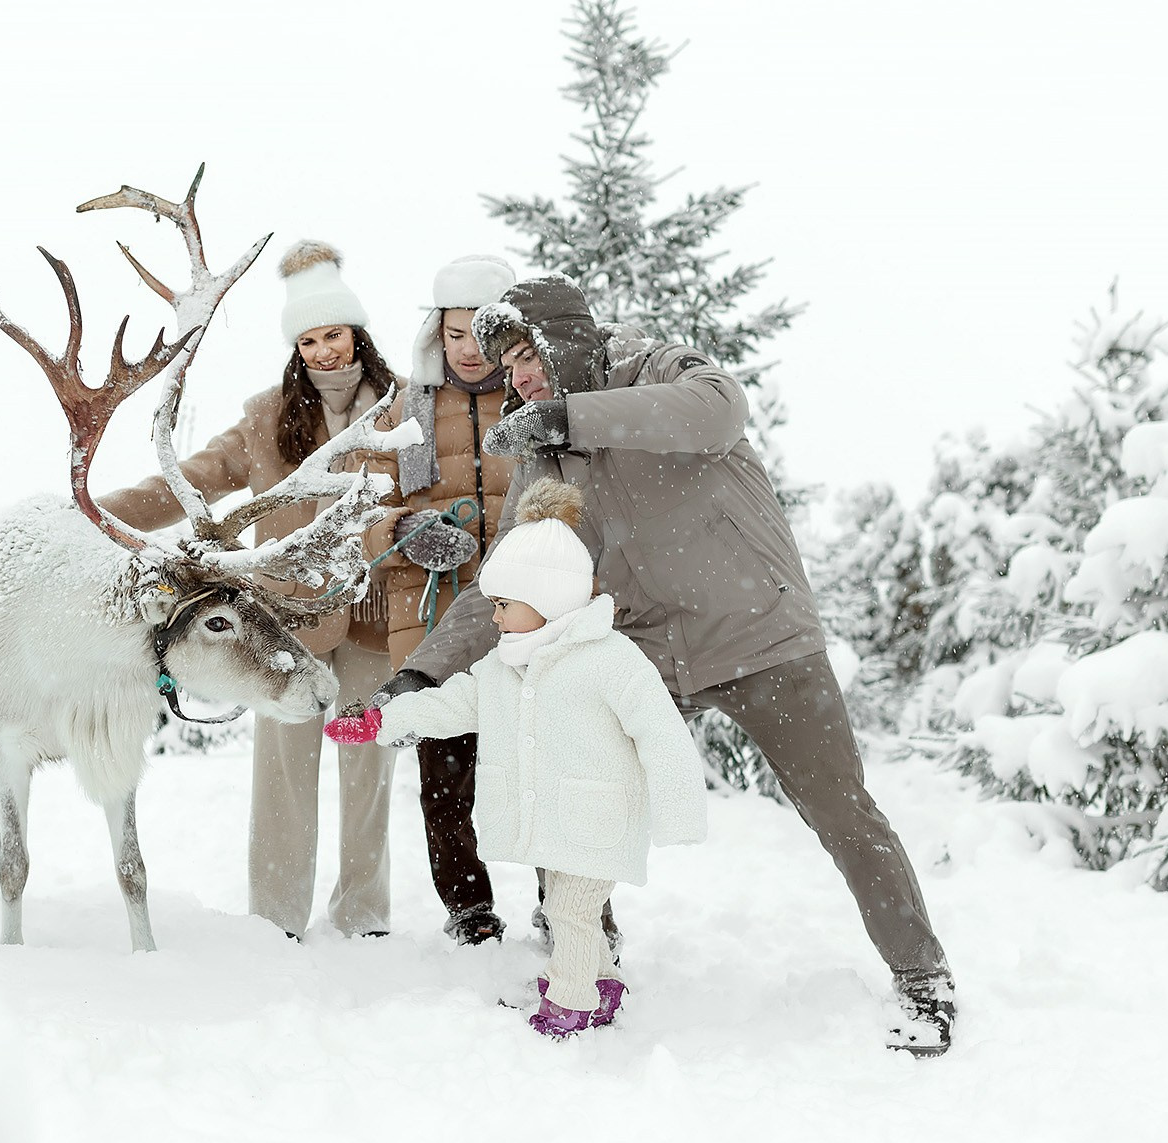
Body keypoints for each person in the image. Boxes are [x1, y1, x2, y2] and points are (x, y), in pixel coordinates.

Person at [373, 273, 958, 1055]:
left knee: (841, 809)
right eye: (508, 367)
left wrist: (572, 415)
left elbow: (719, 409)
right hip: (647, 650)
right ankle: (586, 959)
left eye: (526, 356)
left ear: (563, 341)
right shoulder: (547, 461)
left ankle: (922, 975)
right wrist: (424, 673)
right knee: (567, 778)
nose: (519, 377)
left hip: (760, 636)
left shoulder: (656, 370)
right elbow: (509, 578)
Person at [99, 240, 401, 939]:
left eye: (333, 334)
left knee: (368, 771)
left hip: (371, 614)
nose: (324, 351)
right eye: (309, 340)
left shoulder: (400, 408)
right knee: (283, 777)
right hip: (287, 623)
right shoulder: (268, 416)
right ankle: (277, 917)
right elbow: (195, 478)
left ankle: (365, 915)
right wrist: (100, 515)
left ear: (356, 332)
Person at [363, 479, 707, 1036]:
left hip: (598, 822)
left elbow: (662, 735)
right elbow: (453, 704)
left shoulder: (610, 659)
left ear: (545, 599)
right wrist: (386, 721)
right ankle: (602, 982)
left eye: (503, 605)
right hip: (561, 822)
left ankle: (568, 1003)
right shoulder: (504, 666)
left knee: (569, 910)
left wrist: (679, 812)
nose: (494, 618)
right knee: (576, 912)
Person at [360, 255, 520, 945]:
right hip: (432, 617)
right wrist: (402, 530)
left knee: (545, 766)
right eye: (455, 335)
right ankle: (469, 910)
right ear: (437, 332)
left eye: (482, 336)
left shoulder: (537, 397)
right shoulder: (404, 411)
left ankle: (570, 903)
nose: (468, 350)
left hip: (529, 616)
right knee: (445, 778)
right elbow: (362, 512)